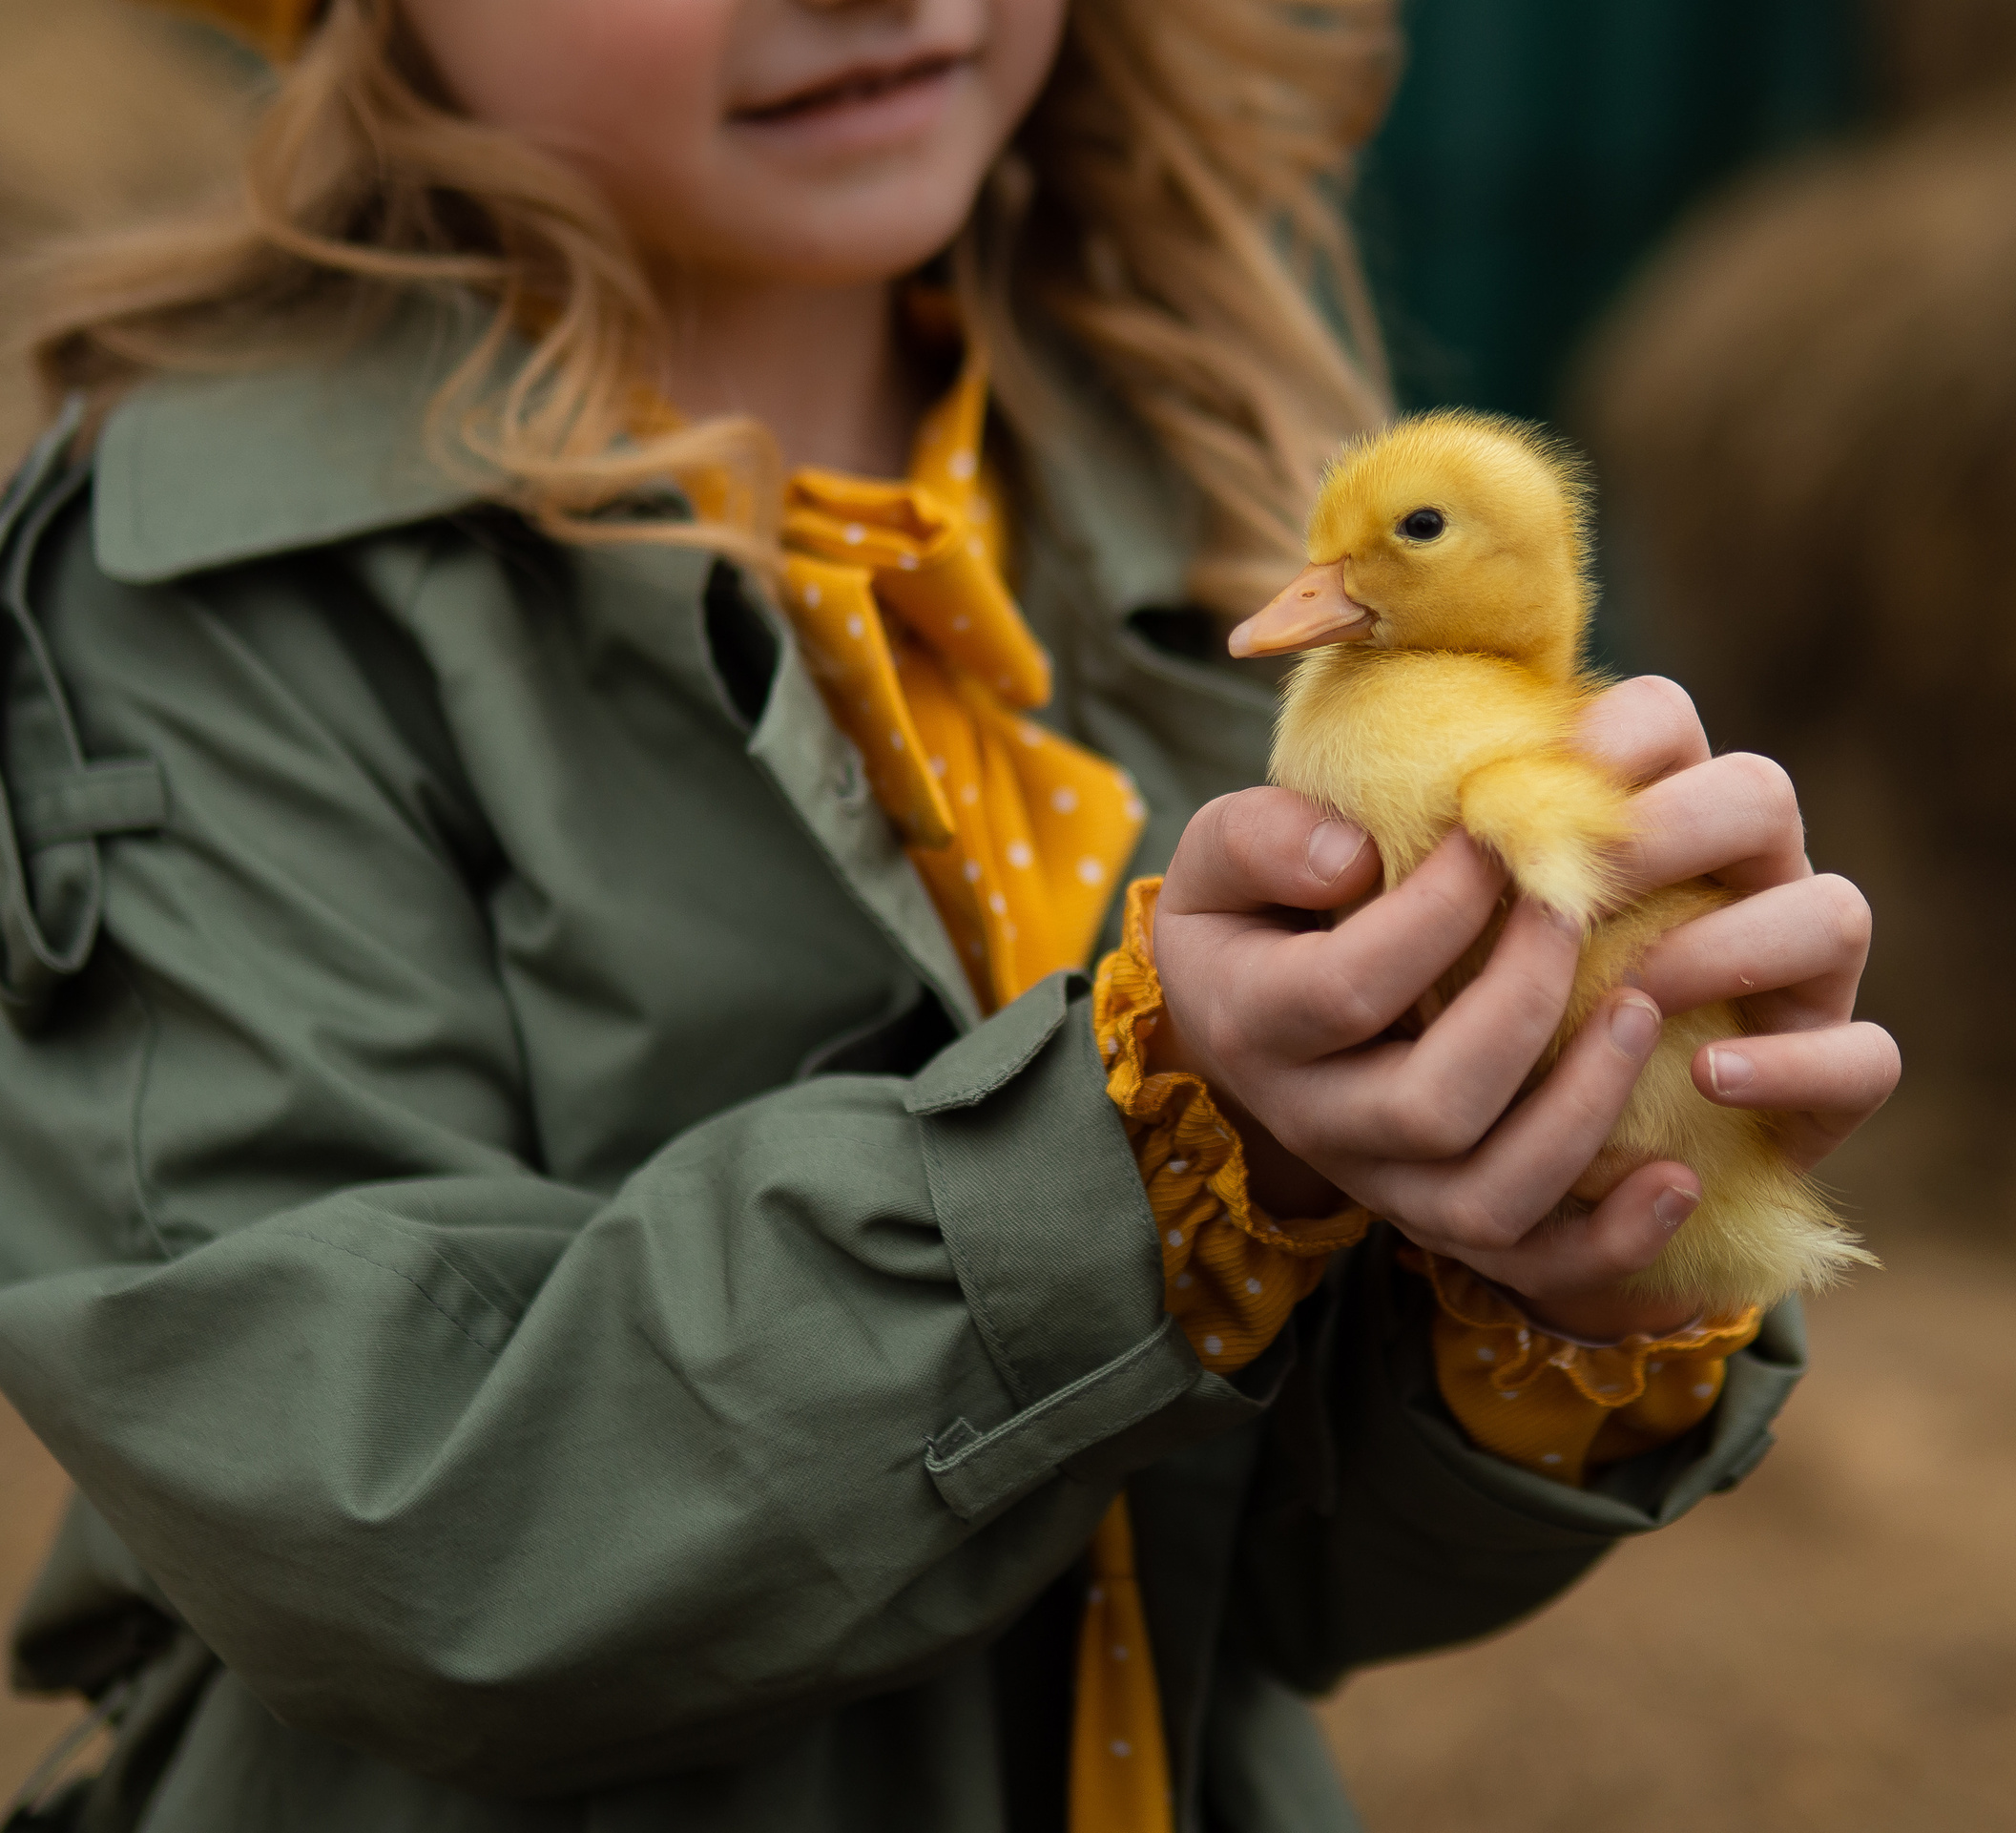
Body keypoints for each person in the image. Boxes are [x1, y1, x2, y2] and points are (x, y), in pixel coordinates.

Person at [0, 1, 1900, 1829]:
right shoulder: (207, 602)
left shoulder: (1195, 471)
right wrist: (1141, 1154)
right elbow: (393, 1535)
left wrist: (1551, 1272)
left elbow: (1271, 1588)